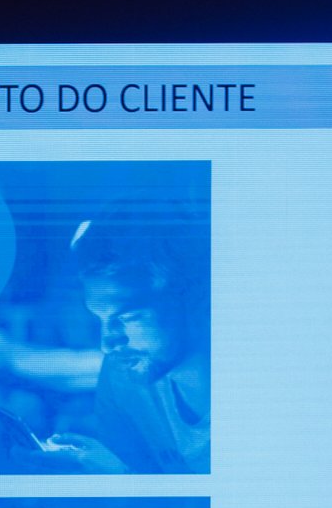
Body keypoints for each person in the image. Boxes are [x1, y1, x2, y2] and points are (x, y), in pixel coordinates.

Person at [16, 202, 211, 474]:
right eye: (100, 319)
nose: (107, 345)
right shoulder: (123, 374)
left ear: (195, 300)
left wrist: (122, 479)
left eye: (128, 318)